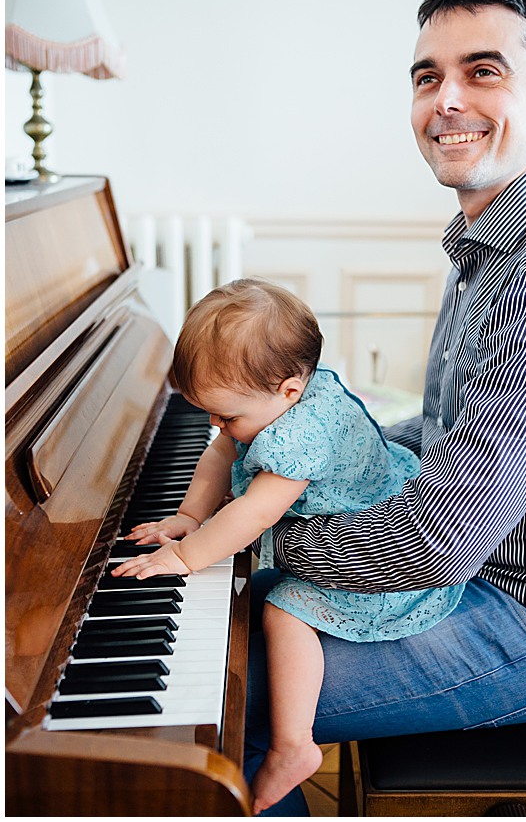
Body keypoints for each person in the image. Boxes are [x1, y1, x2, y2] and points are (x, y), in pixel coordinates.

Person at [240, 0, 526, 816]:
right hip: (474, 571)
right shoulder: (491, 231)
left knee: (234, 695)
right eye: (427, 76)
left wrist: (259, 537)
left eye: (482, 71)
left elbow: (441, 539)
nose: (446, 100)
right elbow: (438, 431)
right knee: (240, 626)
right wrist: (296, 459)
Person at [113, 279, 465, 814]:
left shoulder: (297, 438)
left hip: (375, 556)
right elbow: (221, 452)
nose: (216, 424)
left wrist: (185, 557)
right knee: (248, 598)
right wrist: (189, 517)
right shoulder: (273, 401)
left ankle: (294, 743)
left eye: (227, 414)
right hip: (341, 522)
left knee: (283, 611)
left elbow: (257, 512)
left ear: (288, 391)